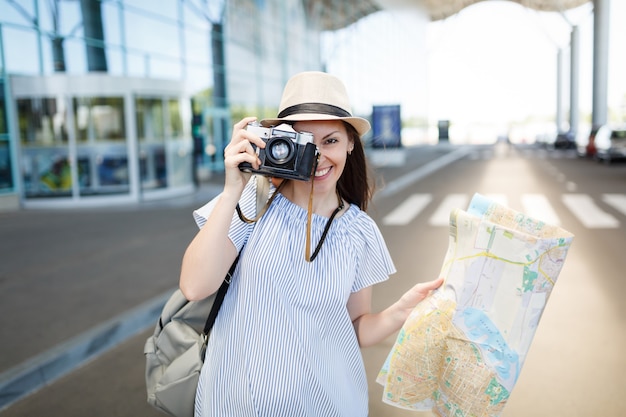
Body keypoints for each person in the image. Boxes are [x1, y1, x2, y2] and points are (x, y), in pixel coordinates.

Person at [179, 71, 443, 417]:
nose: (317, 156)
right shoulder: (251, 202)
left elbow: (353, 328)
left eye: (330, 140)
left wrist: (401, 312)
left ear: (351, 143)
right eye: (304, 141)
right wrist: (233, 188)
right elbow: (195, 286)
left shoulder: (358, 231)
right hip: (236, 404)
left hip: (330, 404)